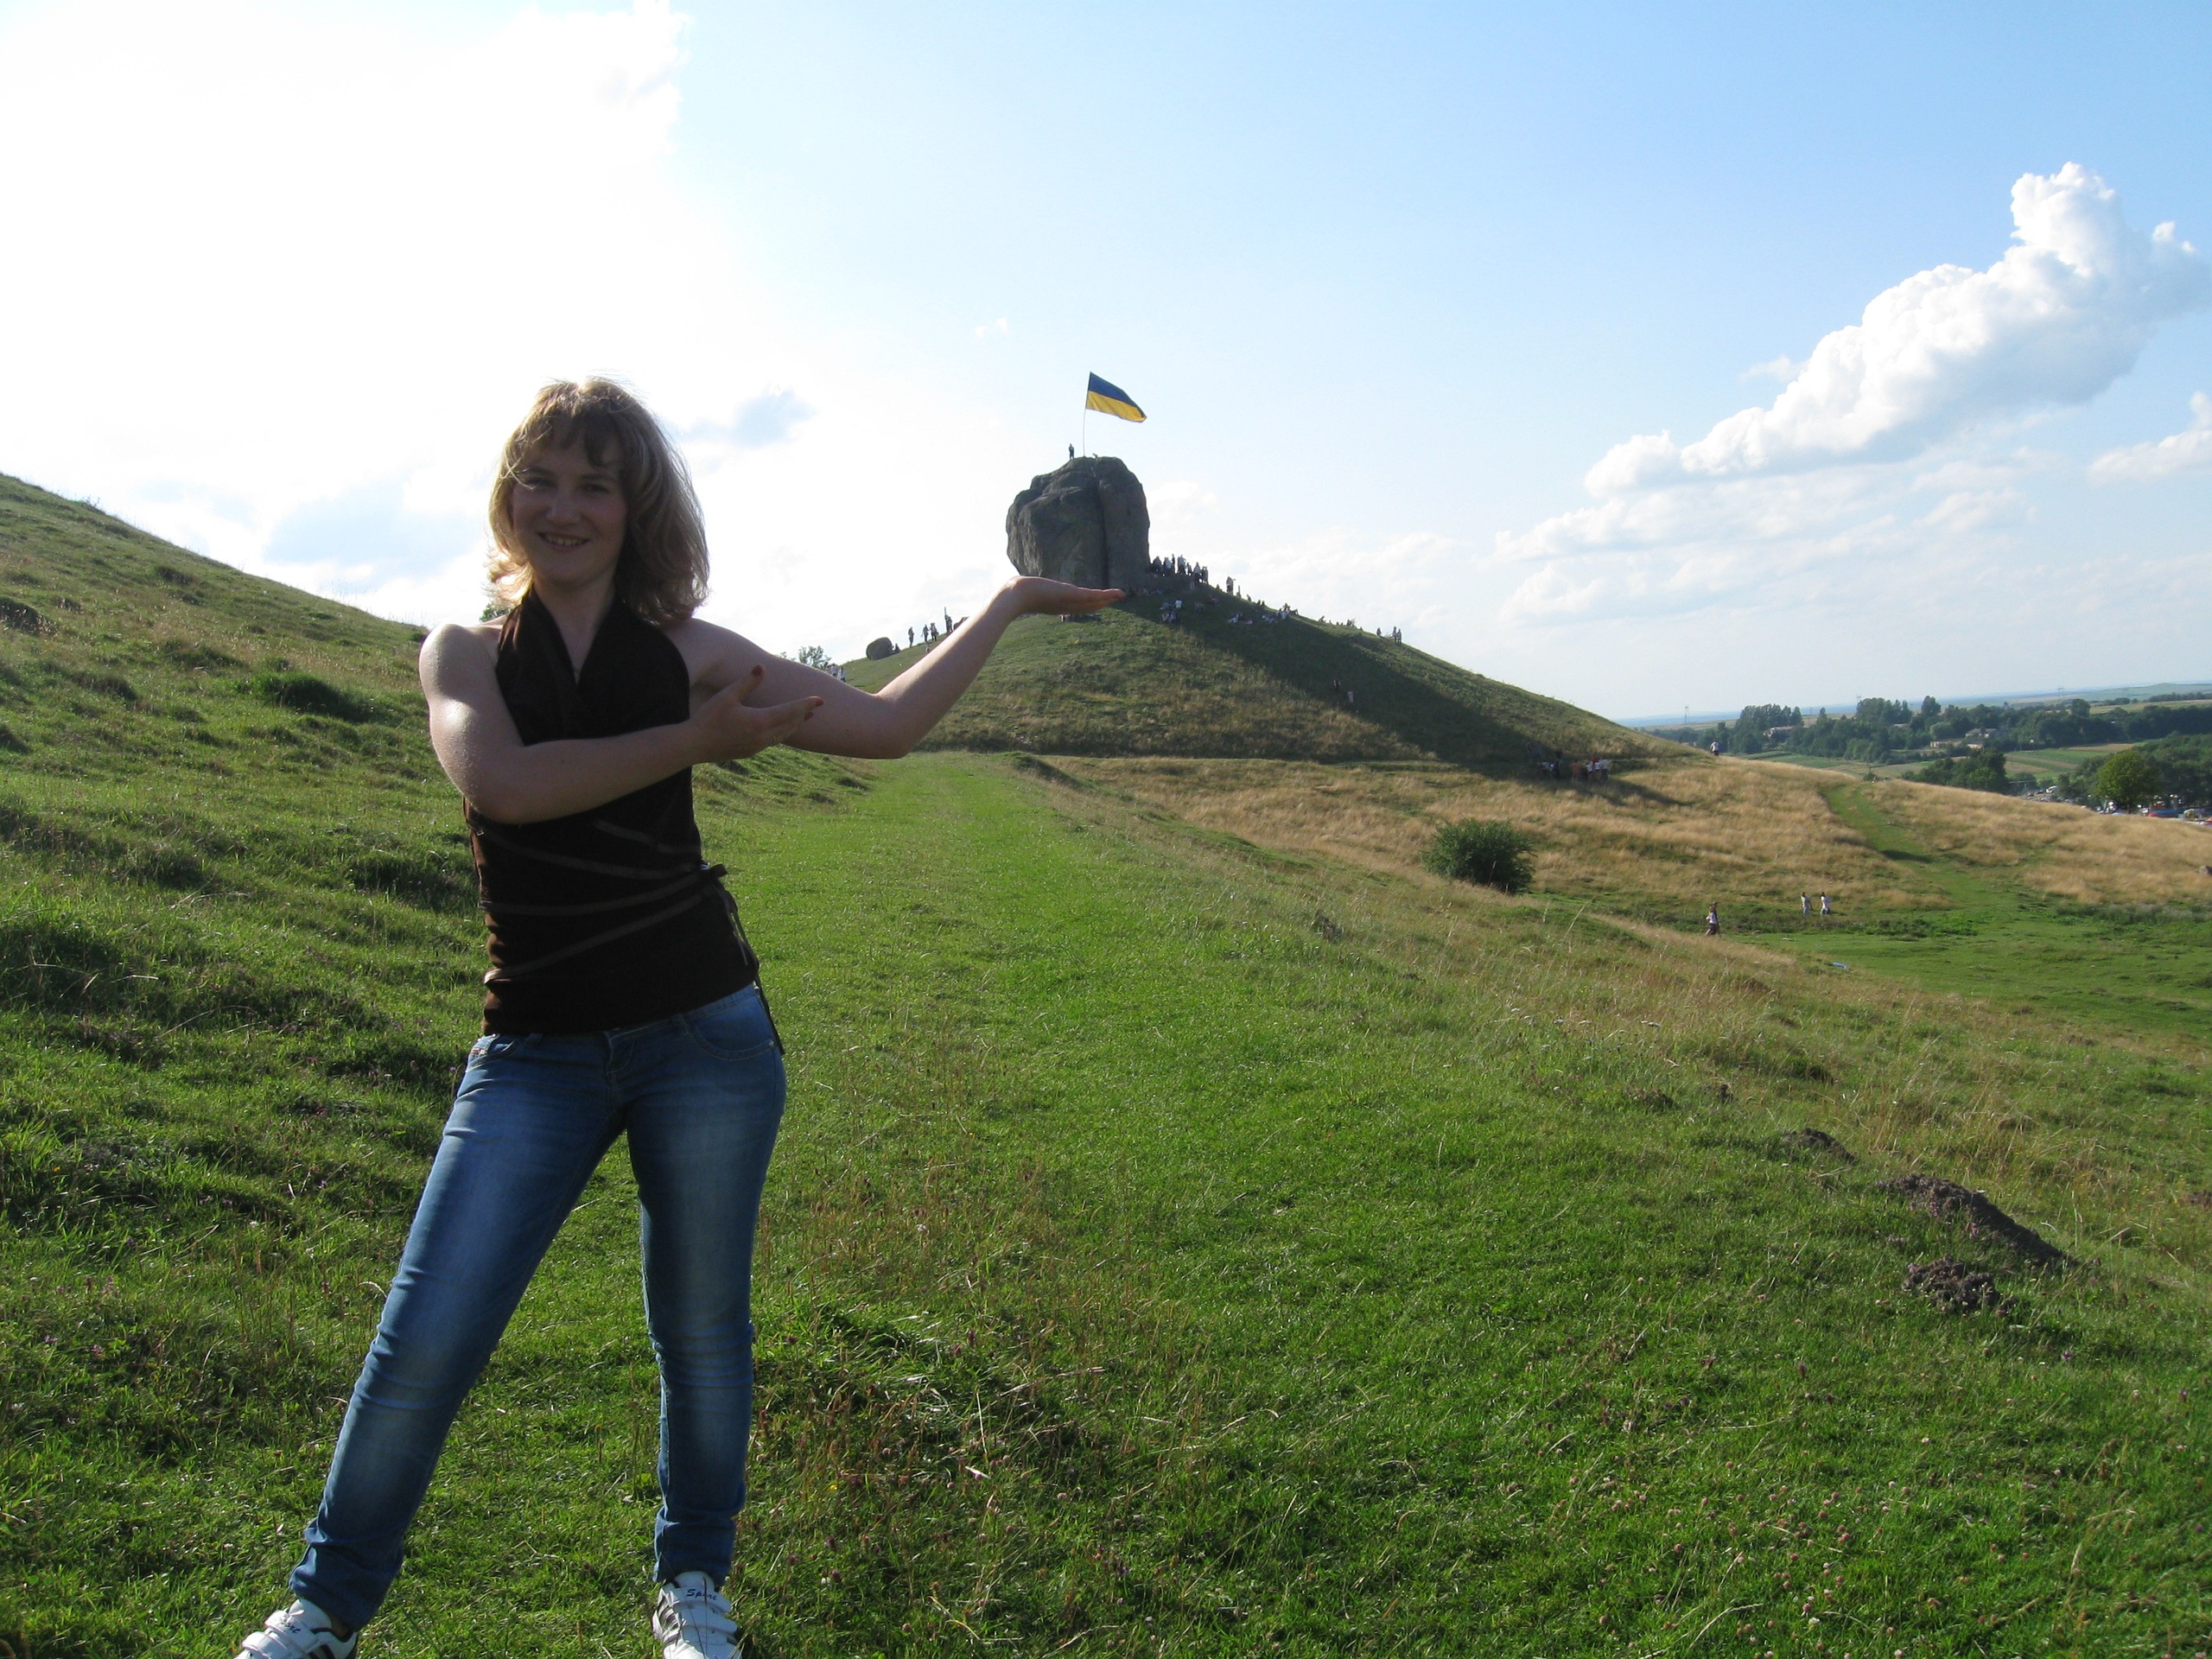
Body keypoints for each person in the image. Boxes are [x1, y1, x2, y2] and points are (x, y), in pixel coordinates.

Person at [230, 379, 1118, 1659]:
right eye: (541, 479)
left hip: (705, 1036)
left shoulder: (689, 648)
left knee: (701, 1334)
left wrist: (1009, 602)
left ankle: (694, 1590)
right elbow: (506, 785)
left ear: (635, 509)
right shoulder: (464, 653)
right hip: (535, 1049)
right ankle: (324, 1609)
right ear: (508, 497)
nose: (564, 507)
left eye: (595, 485)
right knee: (424, 1338)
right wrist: (694, 745)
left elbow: (889, 727)